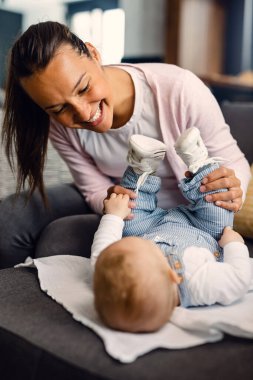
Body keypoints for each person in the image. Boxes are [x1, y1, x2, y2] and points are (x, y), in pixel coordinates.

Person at [0, 21, 251, 268]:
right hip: (130, 209)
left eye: (84, 88)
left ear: (94, 53)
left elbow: (233, 161)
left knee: (59, 241)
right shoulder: (59, 125)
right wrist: (113, 203)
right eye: (59, 108)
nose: (84, 114)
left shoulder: (180, 89)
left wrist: (229, 186)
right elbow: (92, 188)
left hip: (192, 212)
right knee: (10, 219)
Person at [91, 130, 251, 333]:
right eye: (149, 252)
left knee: (129, 219)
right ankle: (199, 163)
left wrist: (113, 216)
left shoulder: (106, 276)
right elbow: (238, 280)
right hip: (201, 229)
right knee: (218, 210)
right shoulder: (197, 284)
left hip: (148, 226)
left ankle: (142, 167)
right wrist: (233, 244)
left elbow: (102, 249)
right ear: (173, 276)